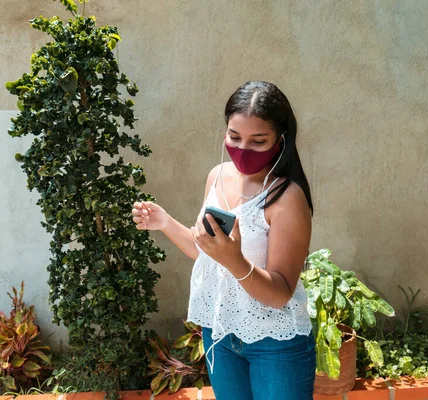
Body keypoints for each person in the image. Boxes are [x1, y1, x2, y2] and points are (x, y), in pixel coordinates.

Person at [132, 81, 315, 400]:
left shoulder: (287, 198)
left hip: (275, 343)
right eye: (234, 137)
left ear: (280, 141)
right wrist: (164, 222)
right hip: (221, 333)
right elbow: (206, 251)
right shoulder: (216, 176)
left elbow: (279, 294)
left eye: (258, 141)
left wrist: (236, 261)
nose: (243, 149)